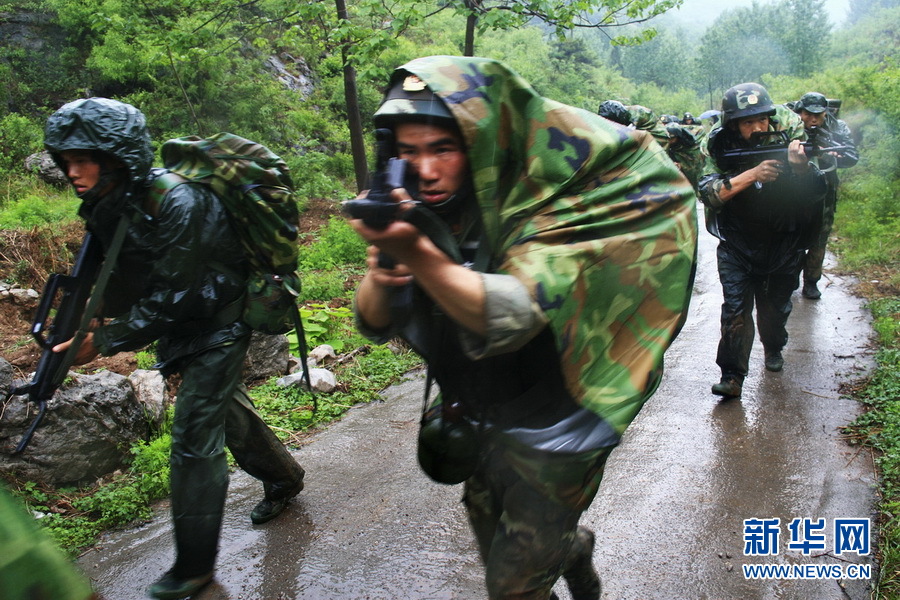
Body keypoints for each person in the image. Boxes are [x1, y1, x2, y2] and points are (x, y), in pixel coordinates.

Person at [349, 56, 697, 600]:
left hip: (559, 424)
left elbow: (514, 314)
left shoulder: (546, 205)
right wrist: (385, 269)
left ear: (480, 142)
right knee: (497, 544)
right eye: (410, 151)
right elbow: (371, 323)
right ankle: (571, 549)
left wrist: (418, 254)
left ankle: (558, 548)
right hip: (482, 414)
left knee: (511, 587)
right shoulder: (423, 209)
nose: (426, 169)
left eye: (443, 148)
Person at [42, 98, 306, 600]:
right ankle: (285, 476)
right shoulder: (109, 199)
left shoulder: (178, 200)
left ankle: (193, 570)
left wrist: (104, 340)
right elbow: (122, 273)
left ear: (116, 154)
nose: (73, 172)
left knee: (193, 435)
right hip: (184, 321)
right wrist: (83, 313)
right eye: (66, 160)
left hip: (220, 319)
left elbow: (175, 295)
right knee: (225, 410)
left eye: (84, 159)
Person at [699, 83, 827, 399]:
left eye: (762, 120)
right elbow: (709, 194)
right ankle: (732, 375)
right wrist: (752, 174)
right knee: (735, 311)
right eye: (747, 122)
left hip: (783, 244)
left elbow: (816, 196)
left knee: (774, 312)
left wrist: (800, 170)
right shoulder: (720, 150)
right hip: (738, 244)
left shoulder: (792, 144)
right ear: (733, 126)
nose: (757, 128)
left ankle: (773, 346)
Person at [793, 91, 859, 299]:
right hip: (793, 190)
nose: (812, 119)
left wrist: (827, 153)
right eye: (807, 114)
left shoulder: (836, 127)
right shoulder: (790, 125)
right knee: (790, 232)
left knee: (820, 235)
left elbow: (851, 157)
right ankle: (789, 275)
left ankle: (811, 281)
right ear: (800, 111)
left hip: (824, 189)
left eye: (818, 115)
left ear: (825, 113)